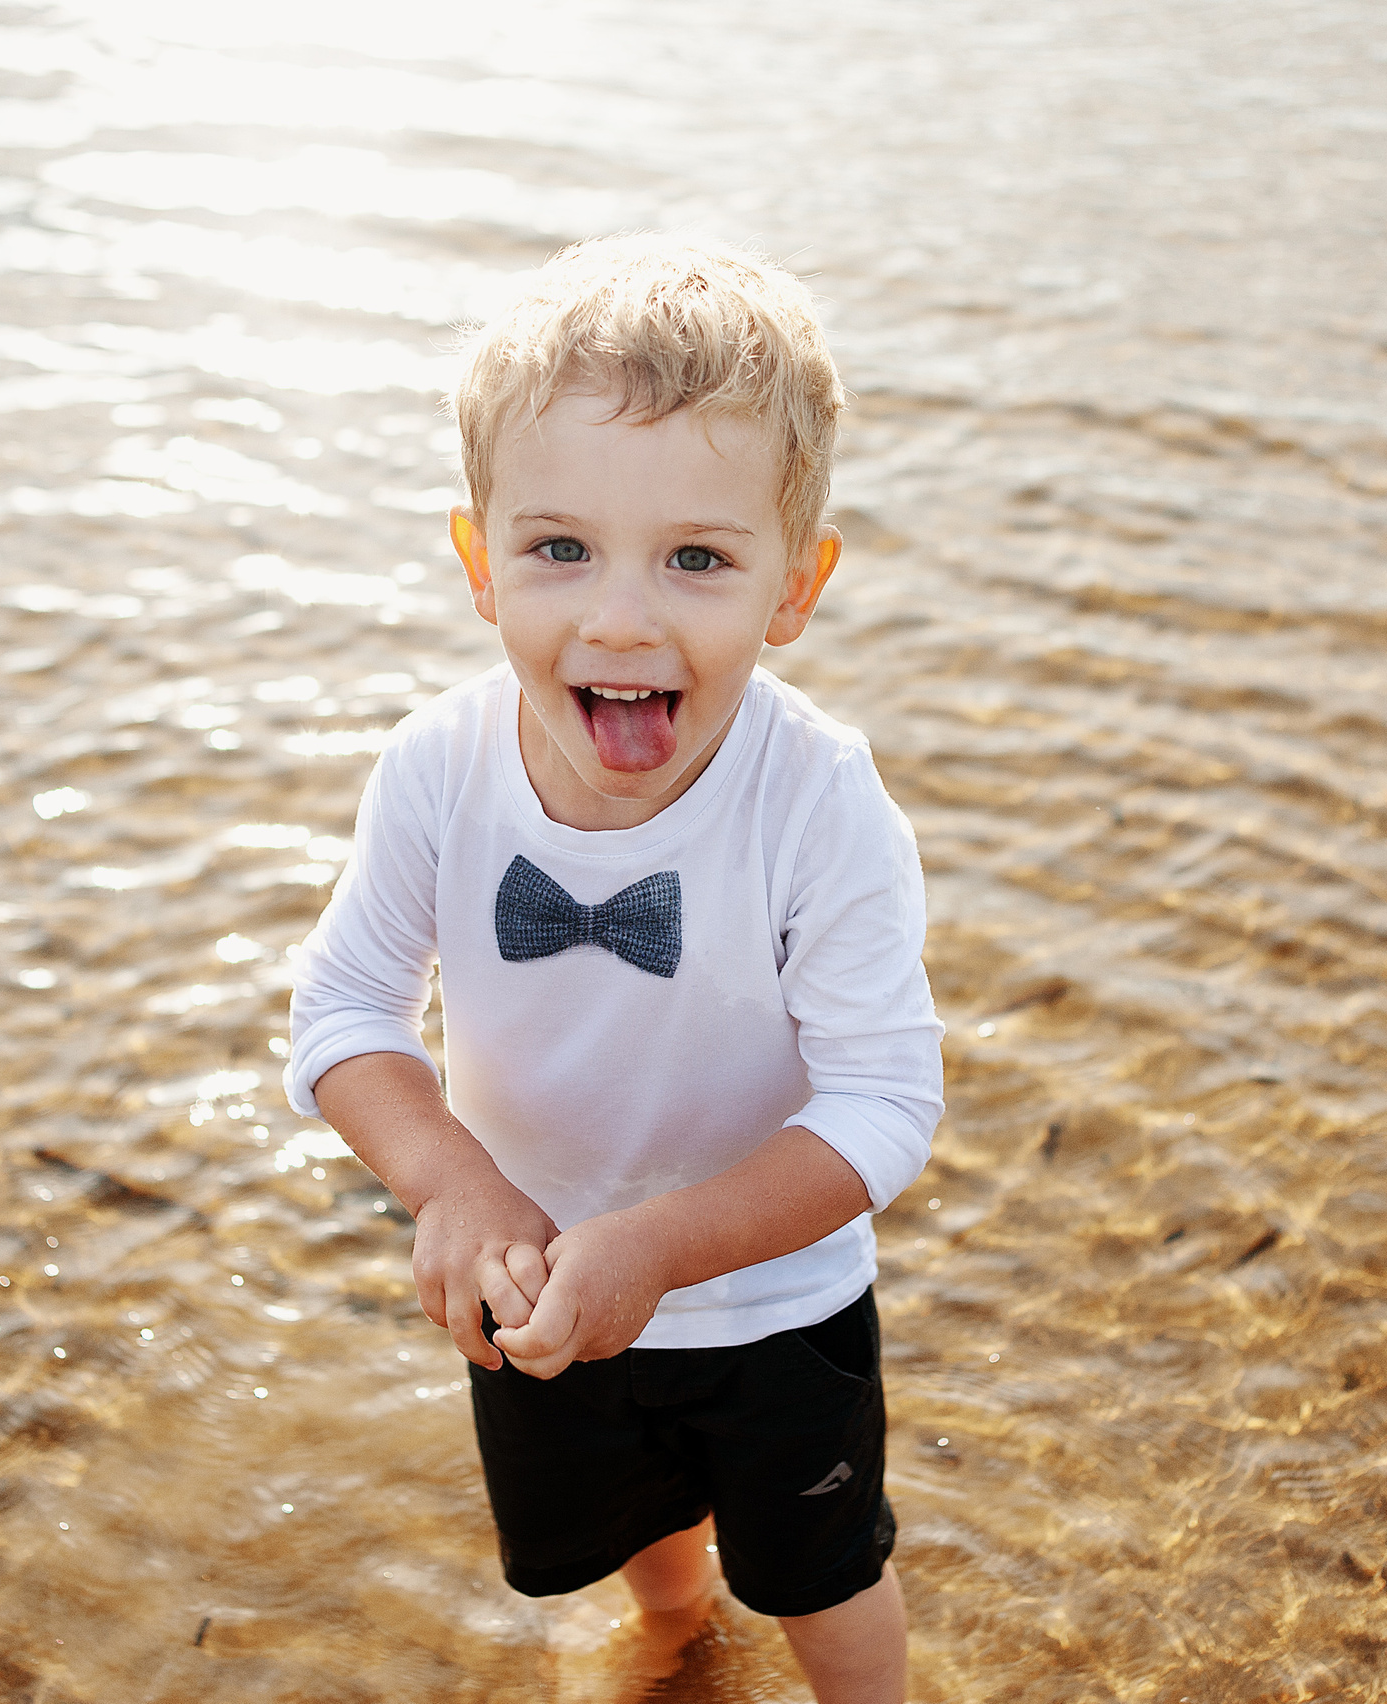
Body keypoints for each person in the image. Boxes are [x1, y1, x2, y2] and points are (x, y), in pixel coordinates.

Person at [283, 233, 943, 1704]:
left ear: (797, 586)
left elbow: (885, 1104)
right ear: (477, 563)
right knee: (642, 1543)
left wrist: (661, 1248)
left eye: (698, 559)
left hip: (775, 1302)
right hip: (536, 1289)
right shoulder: (437, 771)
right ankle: (672, 1652)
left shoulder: (820, 800)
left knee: (826, 1578)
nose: (623, 617)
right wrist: (453, 1182)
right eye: (560, 548)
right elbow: (341, 1009)